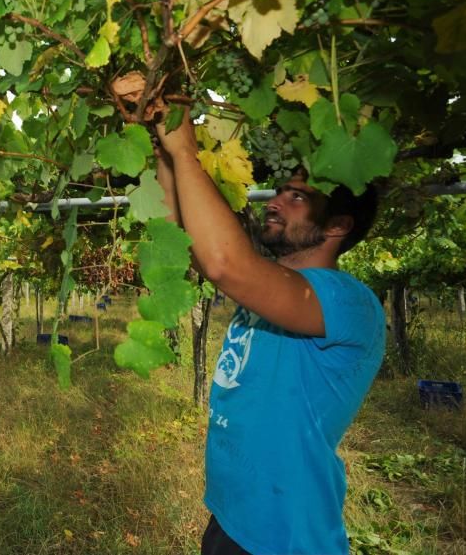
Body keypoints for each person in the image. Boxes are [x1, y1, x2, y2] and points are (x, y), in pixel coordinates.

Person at [153, 116, 385, 555]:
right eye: (281, 190)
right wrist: (163, 149)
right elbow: (192, 244)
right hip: (232, 518)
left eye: (298, 196)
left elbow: (224, 264)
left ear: (337, 226)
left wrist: (186, 151)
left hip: (286, 538)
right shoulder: (270, 286)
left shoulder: (348, 301)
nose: (276, 201)